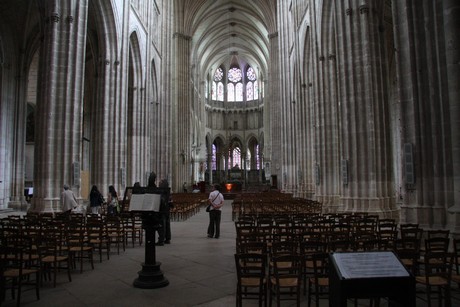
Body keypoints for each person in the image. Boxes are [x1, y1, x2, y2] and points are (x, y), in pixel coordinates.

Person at [156, 179, 172, 246]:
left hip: (162, 210)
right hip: (166, 209)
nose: (159, 184)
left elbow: (161, 200)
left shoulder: (161, 191)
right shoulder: (168, 191)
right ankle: (167, 238)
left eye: (160, 183)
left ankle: (161, 240)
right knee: (167, 224)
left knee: (162, 224)